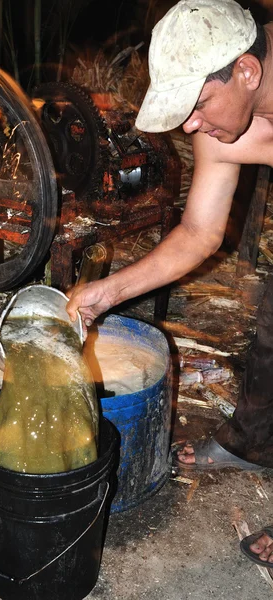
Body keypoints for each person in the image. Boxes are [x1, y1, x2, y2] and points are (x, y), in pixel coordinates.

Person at [66, 0, 273, 567]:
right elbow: (200, 233)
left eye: (198, 103)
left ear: (247, 72)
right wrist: (105, 294)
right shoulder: (221, 117)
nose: (189, 126)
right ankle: (251, 443)